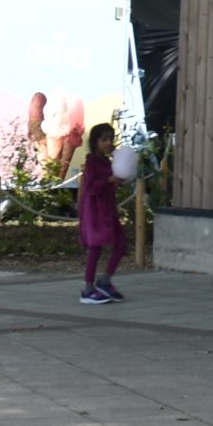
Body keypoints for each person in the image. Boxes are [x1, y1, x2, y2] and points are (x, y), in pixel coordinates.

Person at [76, 122, 132, 304]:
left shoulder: (108, 162)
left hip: (108, 210)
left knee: (121, 243)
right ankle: (88, 288)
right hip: (94, 211)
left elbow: (110, 182)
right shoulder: (92, 161)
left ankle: (105, 280)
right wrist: (109, 180)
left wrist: (119, 179)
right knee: (95, 249)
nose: (108, 143)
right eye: (104, 139)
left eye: (110, 139)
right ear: (95, 141)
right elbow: (91, 188)